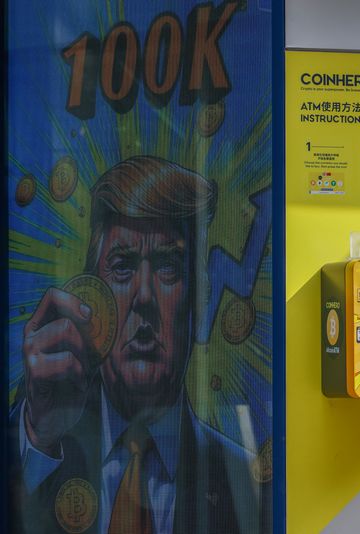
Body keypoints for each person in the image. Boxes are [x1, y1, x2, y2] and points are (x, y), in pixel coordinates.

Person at [9, 156, 271, 533]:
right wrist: (38, 438)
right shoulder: (40, 444)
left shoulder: (244, 481)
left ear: (200, 298)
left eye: (167, 266)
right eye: (122, 266)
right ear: (91, 299)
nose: (143, 296)